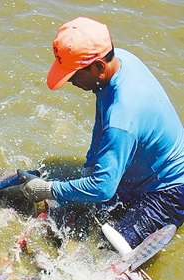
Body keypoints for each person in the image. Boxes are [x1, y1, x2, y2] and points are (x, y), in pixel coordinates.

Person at [15, 17, 184, 247]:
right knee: (73, 213)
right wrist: (90, 163)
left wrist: (48, 189)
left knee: (106, 254)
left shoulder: (122, 117)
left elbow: (102, 188)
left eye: (73, 74)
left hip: (168, 192)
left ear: (98, 67)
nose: (71, 81)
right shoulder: (120, 61)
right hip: (139, 166)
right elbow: (101, 117)